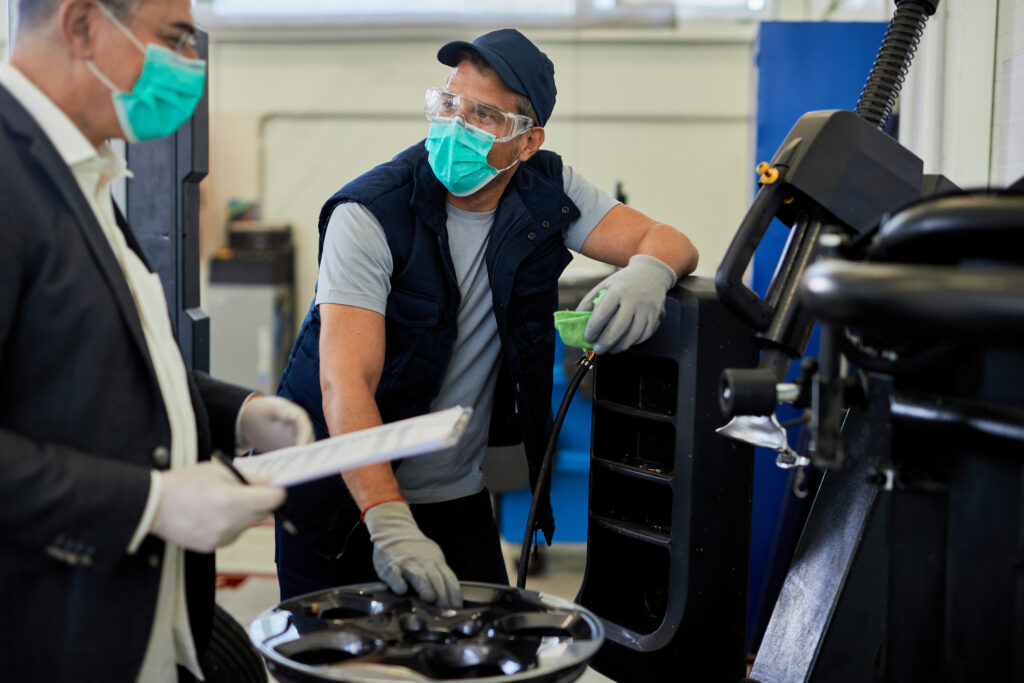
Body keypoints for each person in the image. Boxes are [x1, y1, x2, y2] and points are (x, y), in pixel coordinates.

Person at [276, 28, 698, 608]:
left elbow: (668, 239)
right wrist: (388, 520)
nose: (455, 125)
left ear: (527, 143)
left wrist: (649, 272)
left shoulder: (544, 191)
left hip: (454, 495)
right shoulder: (370, 215)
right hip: (338, 501)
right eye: (448, 103)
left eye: (483, 115)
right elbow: (345, 383)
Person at [0, 1, 315, 680]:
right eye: (175, 40)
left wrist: (238, 410)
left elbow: (106, 354)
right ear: (82, 25)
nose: (191, 68)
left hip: (145, 619)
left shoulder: (86, 171)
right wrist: (151, 502)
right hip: (50, 630)